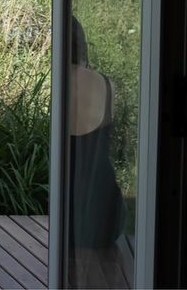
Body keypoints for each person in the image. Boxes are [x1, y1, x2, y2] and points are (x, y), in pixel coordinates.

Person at [69, 16, 126, 250]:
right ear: (83, 46)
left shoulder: (58, 83)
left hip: (68, 215)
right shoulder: (106, 83)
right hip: (107, 216)